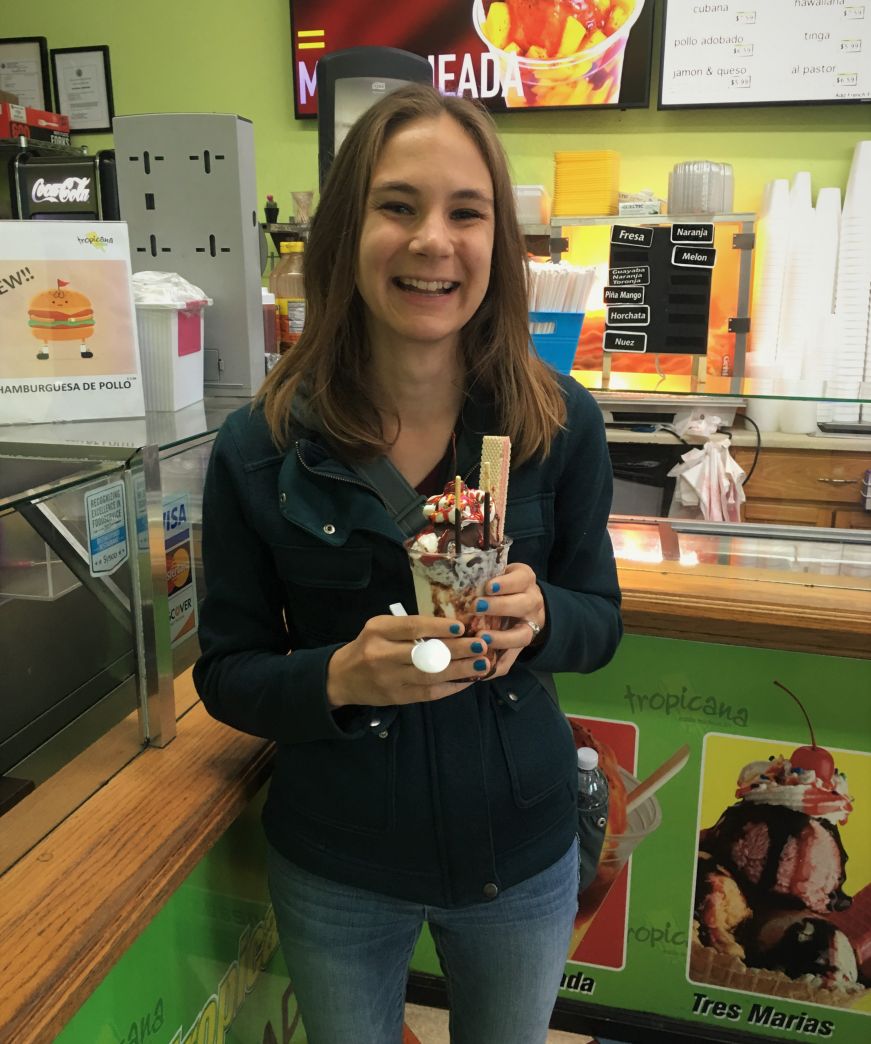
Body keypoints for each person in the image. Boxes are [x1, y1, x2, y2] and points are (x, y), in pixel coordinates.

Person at [193, 83, 622, 1044]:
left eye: (466, 212)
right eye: (397, 206)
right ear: (346, 231)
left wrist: (543, 613)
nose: (434, 240)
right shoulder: (259, 447)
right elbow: (226, 673)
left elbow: (602, 618)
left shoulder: (556, 423)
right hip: (337, 866)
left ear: (497, 248)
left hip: (520, 854)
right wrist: (341, 675)